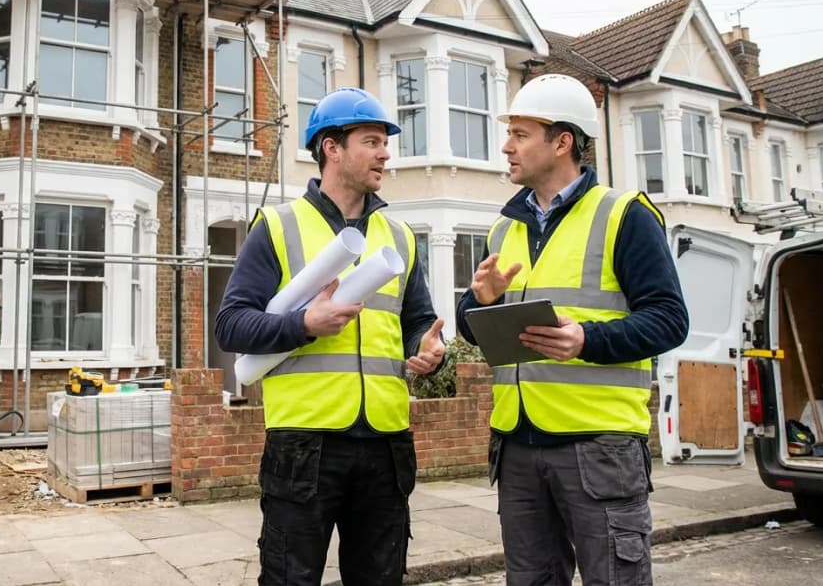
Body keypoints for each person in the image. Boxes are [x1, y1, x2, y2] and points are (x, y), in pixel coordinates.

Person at [456, 74, 688, 585]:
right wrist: (480, 301)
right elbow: (473, 332)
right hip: (517, 445)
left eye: (520, 134)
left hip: (599, 446)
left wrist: (587, 339)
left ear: (562, 142)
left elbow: (670, 319)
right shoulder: (504, 228)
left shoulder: (623, 216)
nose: (506, 146)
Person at [215, 87, 446, 585]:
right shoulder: (278, 226)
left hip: (386, 443)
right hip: (304, 444)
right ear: (331, 148)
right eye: (371, 141)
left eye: (385, 143)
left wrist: (428, 350)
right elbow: (231, 325)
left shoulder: (400, 237)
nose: (385, 154)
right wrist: (303, 325)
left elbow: (417, 323)